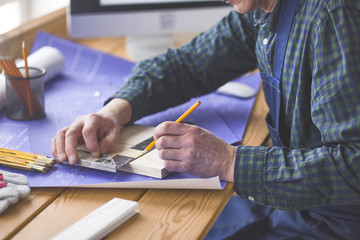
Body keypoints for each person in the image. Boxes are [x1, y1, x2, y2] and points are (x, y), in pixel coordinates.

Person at [52, 0, 360, 239]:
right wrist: (115, 111)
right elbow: (189, 64)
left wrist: (229, 161)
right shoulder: (261, 9)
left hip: (333, 225)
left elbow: (354, 165)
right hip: (290, 203)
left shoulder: (331, 16)